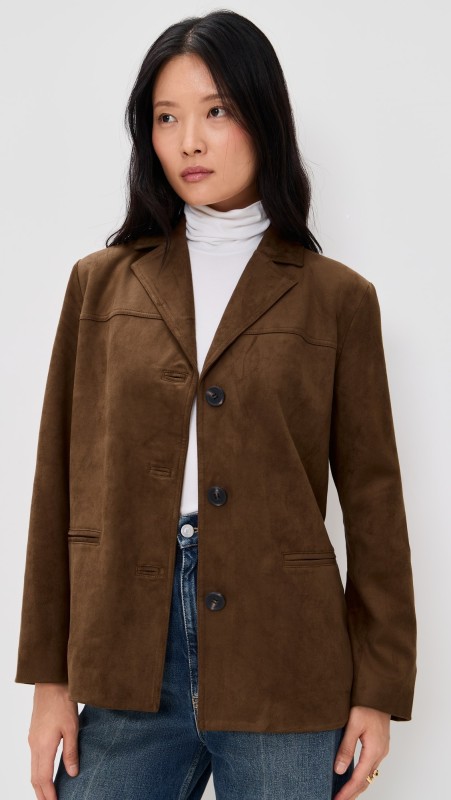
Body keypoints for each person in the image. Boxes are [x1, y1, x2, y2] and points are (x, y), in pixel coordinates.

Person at [15, 9, 417, 800]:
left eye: (216, 111)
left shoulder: (337, 299)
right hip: (126, 656)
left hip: (286, 662)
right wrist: (49, 681)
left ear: (263, 118)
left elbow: (374, 503)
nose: (189, 141)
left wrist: (377, 691)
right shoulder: (100, 286)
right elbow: (57, 485)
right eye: (166, 118)